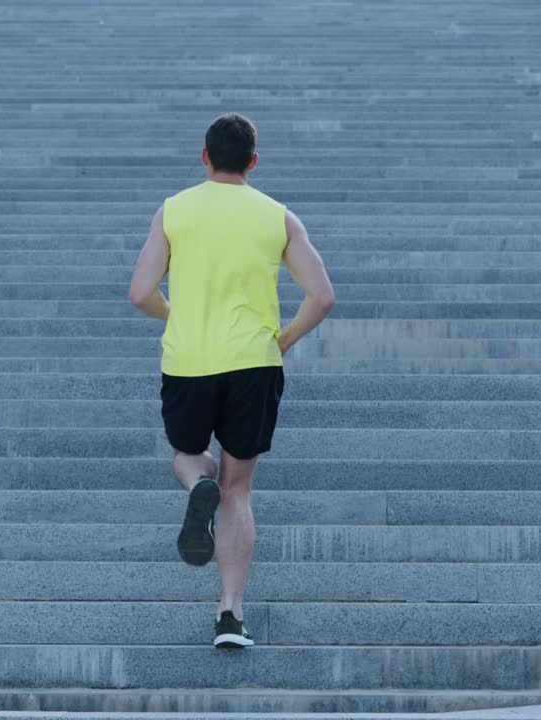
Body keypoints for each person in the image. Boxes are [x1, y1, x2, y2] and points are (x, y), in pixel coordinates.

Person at [128, 112, 336, 649]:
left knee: (188, 455)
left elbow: (140, 292)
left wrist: (174, 313)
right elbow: (322, 297)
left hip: (189, 359)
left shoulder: (174, 211)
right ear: (253, 161)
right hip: (253, 362)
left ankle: (197, 483)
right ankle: (230, 615)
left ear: (204, 157)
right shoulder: (278, 217)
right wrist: (283, 339)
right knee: (237, 489)